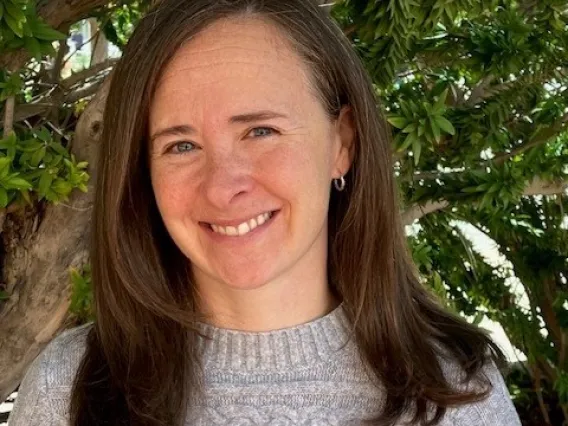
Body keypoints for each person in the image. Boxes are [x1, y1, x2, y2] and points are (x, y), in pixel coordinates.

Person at [8, 0, 522, 425]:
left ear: (342, 142)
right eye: (181, 145)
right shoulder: (68, 390)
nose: (223, 186)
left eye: (260, 131)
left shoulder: (458, 395)